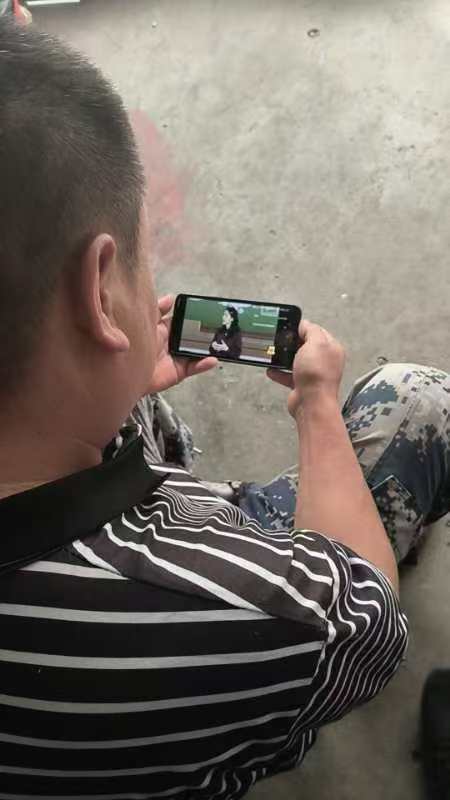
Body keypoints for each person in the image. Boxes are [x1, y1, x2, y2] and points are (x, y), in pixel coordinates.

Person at [0, 18, 449, 800]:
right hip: (236, 643)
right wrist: (316, 404)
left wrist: (111, 387)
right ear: (100, 293)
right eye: (143, 256)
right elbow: (365, 628)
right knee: (418, 403)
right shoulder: (226, 600)